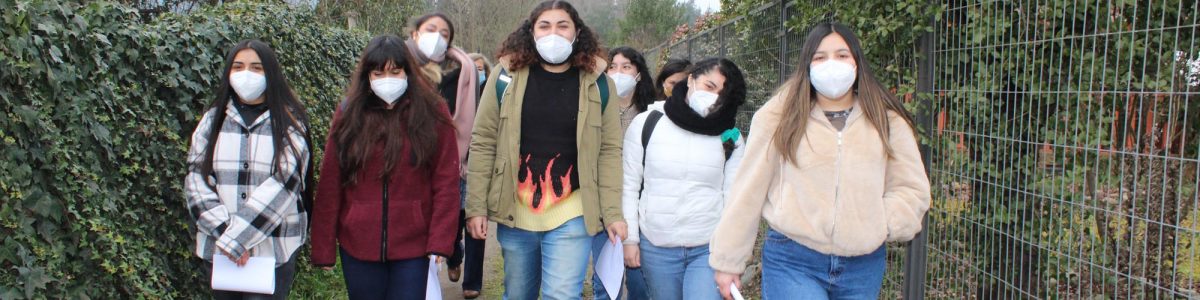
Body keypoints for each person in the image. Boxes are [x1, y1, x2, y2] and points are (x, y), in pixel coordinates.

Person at [709, 22, 931, 300]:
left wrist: (883, 223)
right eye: (820, 57)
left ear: (857, 62)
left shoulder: (886, 121)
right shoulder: (779, 115)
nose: (832, 64)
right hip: (792, 258)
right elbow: (747, 190)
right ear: (807, 65)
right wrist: (728, 260)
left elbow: (912, 188)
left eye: (842, 55)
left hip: (863, 264)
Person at [464, 1, 627, 299]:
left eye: (562, 25)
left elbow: (609, 151)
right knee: (518, 295)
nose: (554, 33)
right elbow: (484, 141)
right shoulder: (505, 77)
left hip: (572, 210)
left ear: (577, 33)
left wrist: (613, 213)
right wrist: (475, 207)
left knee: (563, 294)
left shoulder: (599, 84)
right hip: (517, 210)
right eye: (545, 26)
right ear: (532, 32)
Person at [309, 35, 460, 300]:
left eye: (395, 71)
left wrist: (440, 241)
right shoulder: (349, 113)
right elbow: (331, 180)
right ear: (367, 76)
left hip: (414, 246)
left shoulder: (433, 112)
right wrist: (323, 247)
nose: (386, 79)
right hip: (358, 244)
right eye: (378, 73)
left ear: (408, 72)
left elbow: (446, 181)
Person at [184, 39, 312, 299]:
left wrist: (240, 238)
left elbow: (285, 184)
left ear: (271, 73)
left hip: (273, 250)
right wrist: (226, 235)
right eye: (238, 66)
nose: (246, 74)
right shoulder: (212, 121)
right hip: (222, 252)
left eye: (256, 68)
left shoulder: (290, 123)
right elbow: (196, 181)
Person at [622, 57, 746, 300]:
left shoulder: (730, 136)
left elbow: (734, 199)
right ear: (691, 80)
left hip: (708, 249)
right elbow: (629, 184)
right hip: (656, 246)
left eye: (722, 93)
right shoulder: (647, 122)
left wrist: (731, 256)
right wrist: (630, 240)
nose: (714, 96)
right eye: (709, 86)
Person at [590, 46, 656, 300]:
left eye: (626, 66)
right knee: (606, 280)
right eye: (612, 66)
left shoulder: (651, 112)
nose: (618, 72)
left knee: (639, 280)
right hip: (603, 202)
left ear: (639, 73)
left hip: (639, 204)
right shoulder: (594, 107)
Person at [441, 53, 492, 300]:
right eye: (474, 69)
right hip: (452, 174)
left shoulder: (492, 99)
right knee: (450, 229)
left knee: (476, 228)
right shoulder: (451, 99)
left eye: (482, 69)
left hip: (477, 174)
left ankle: (472, 282)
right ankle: (454, 256)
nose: (478, 73)